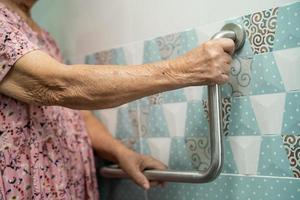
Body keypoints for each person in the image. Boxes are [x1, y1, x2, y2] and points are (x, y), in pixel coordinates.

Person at [0, 0, 234, 199]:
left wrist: (121, 153)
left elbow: (76, 115)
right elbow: (59, 86)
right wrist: (185, 70)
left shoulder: (40, 35)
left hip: (65, 185)